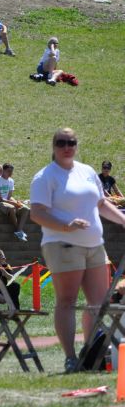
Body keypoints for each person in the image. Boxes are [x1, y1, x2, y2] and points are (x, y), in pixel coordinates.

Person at [30, 128, 125, 372]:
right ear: (53, 146)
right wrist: (66, 226)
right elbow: (37, 212)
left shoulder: (87, 172)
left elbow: (101, 204)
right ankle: (71, 357)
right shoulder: (45, 177)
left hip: (94, 245)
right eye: (61, 142)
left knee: (97, 303)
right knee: (68, 301)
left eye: (71, 142)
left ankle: (90, 353)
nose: (67, 147)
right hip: (63, 245)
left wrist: (123, 220)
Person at [0, 163, 30, 241]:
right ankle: (18, 230)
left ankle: (19, 230)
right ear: (3, 171)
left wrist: (17, 202)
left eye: (11, 171)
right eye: (8, 171)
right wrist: (14, 203)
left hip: (6, 202)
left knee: (25, 209)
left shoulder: (11, 181)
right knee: (12, 208)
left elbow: (8, 197)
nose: (11, 173)